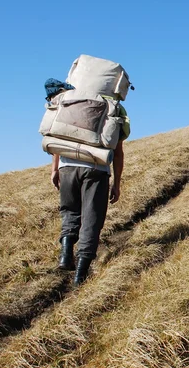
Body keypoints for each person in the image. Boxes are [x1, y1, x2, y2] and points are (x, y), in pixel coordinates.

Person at [51, 121, 127, 287]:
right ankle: (80, 276)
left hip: (67, 166)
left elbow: (59, 135)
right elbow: (118, 151)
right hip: (96, 168)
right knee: (91, 219)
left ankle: (65, 255)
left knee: (70, 211)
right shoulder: (114, 108)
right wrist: (117, 183)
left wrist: (55, 169)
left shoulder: (72, 100)